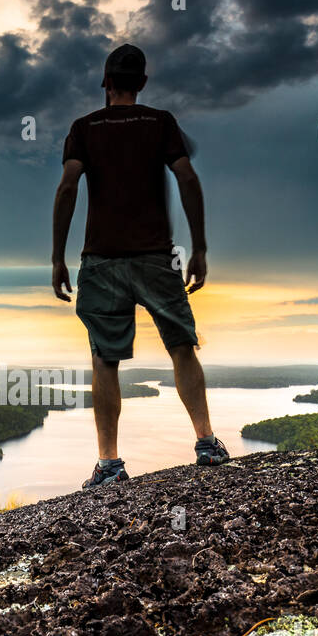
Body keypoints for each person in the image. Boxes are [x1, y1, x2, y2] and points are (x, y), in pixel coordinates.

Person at [51, 43, 230, 489]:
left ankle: (110, 465)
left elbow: (67, 188)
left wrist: (57, 257)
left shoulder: (84, 128)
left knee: (104, 357)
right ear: (143, 82)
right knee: (181, 345)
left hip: (101, 258)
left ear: (105, 82)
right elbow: (187, 177)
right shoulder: (160, 122)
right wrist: (200, 248)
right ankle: (206, 443)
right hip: (156, 256)